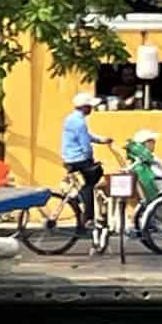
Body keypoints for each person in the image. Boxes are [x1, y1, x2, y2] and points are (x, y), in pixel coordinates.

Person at [61, 92, 112, 228]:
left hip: (70, 158)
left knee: (89, 180)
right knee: (93, 177)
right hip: (79, 158)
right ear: (84, 107)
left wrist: (101, 140)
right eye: (90, 106)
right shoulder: (80, 122)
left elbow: (87, 135)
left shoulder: (71, 118)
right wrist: (92, 159)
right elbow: (85, 144)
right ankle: (88, 216)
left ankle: (78, 198)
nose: (91, 109)